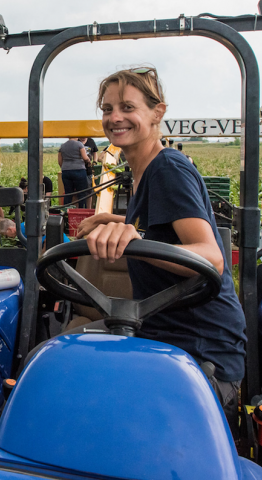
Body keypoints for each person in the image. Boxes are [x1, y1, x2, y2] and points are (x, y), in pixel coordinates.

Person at [77, 66, 246, 428]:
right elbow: (164, 232)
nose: (114, 117)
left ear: (157, 113)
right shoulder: (143, 172)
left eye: (127, 107)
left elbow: (211, 258)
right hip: (163, 338)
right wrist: (120, 224)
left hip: (199, 352)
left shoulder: (167, 169)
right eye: (107, 109)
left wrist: (136, 240)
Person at [58, 137, 90, 207]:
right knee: (81, 193)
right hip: (79, 170)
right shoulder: (79, 144)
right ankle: (81, 211)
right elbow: (85, 158)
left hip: (66, 171)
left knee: (68, 193)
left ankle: (65, 211)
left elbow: (60, 161)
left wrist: (65, 168)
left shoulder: (62, 146)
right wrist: (89, 161)